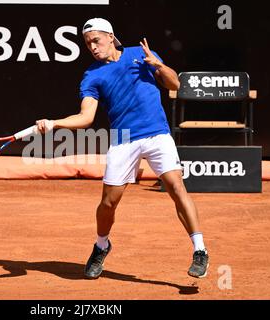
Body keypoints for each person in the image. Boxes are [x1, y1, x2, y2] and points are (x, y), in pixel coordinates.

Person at [35, 18, 209, 279]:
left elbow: (175, 85)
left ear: (110, 36)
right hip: (124, 139)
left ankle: (200, 250)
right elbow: (86, 117)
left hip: (157, 134)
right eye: (87, 43)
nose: (92, 47)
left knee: (175, 186)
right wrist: (54, 123)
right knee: (108, 203)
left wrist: (159, 65)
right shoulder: (92, 76)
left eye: (96, 40)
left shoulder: (141, 54)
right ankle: (101, 244)